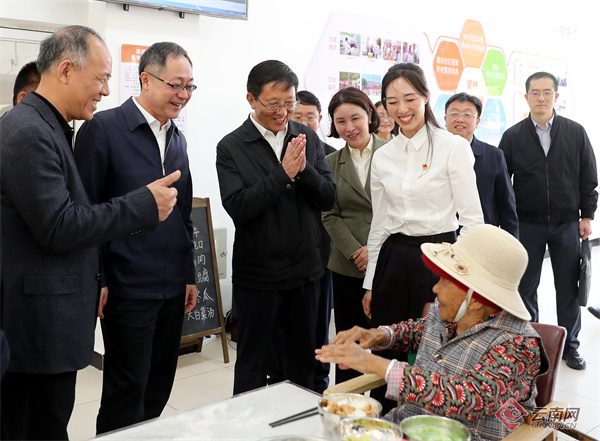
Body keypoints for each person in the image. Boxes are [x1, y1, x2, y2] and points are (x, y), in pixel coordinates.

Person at [0, 25, 180, 441]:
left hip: (48, 323)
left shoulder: (51, 127)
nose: (106, 90)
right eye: (101, 78)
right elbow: (59, 226)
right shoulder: (28, 131)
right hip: (36, 328)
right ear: (66, 70)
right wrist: (143, 204)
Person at [316, 224, 549, 441]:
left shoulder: (517, 345)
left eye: (445, 281)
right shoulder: (451, 313)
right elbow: (419, 331)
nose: (435, 288)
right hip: (406, 429)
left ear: (476, 299)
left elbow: (470, 398)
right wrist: (379, 335)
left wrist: (377, 365)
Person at [73, 42, 197, 434]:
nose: (183, 94)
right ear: (146, 79)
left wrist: (189, 274)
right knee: (126, 391)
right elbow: (85, 210)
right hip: (126, 287)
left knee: (159, 385)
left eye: (189, 86)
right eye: (175, 84)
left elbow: (183, 214)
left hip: (172, 287)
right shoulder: (103, 129)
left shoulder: (177, 138)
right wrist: (98, 278)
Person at [363, 63, 483, 412]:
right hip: (393, 257)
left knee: (433, 348)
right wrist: (370, 282)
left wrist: (456, 277)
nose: (401, 109)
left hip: (438, 257)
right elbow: (379, 224)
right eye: (392, 102)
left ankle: (425, 419)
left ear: (426, 97)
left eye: (410, 98)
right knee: (386, 343)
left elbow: (472, 221)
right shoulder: (383, 155)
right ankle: (383, 420)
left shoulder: (452, 147)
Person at [216, 60, 336, 395]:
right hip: (259, 276)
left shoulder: (306, 137)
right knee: (253, 364)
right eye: (273, 104)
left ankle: (297, 420)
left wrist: (303, 170)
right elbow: (240, 207)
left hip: (306, 274)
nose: (282, 112)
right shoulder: (232, 146)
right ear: (251, 99)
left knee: (302, 364)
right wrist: (283, 175)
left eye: (289, 103)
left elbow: (328, 197)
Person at [499, 71, 598, 370]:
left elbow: (588, 178)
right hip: (526, 224)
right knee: (525, 287)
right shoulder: (513, 136)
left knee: (568, 288)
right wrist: (508, 222)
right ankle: (532, 345)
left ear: (556, 96)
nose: (541, 98)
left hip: (566, 223)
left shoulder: (575, 132)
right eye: (535, 92)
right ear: (526, 96)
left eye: (546, 92)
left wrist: (587, 215)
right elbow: (503, 183)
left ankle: (570, 346)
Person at [268, 89, 335, 392]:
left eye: (310, 117)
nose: (304, 123)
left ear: (320, 119)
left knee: (317, 326)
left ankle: (317, 381)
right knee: (283, 331)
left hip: (320, 255)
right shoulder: (275, 151)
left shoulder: (327, 152)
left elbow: (330, 201)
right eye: (299, 117)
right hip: (280, 258)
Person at [322, 87, 388, 385]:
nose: (349, 127)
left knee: (385, 341)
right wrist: (355, 250)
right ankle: (346, 401)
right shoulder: (330, 162)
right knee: (347, 344)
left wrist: (374, 250)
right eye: (341, 121)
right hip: (348, 266)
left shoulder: (393, 153)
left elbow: (401, 209)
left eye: (355, 118)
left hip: (386, 261)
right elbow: (329, 214)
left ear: (369, 115)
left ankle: (383, 404)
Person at [444, 93, 519, 237]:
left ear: (478, 121)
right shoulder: (433, 153)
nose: (460, 119)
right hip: (441, 236)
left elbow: (506, 206)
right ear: (445, 119)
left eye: (467, 114)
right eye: (454, 114)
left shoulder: (494, 155)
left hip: (481, 236)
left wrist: (511, 242)